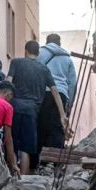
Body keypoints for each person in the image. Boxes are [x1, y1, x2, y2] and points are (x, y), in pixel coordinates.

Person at [6, 40, 68, 175]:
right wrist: (62, 114)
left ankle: (11, 176)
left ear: (25, 51)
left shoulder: (16, 62)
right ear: (38, 53)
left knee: (11, 141)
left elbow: (8, 82)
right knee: (26, 147)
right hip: (32, 111)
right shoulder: (44, 69)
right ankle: (23, 178)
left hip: (14, 108)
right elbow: (55, 91)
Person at [33, 33, 78, 170]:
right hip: (61, 94)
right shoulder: (67, 59)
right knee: (57, 127)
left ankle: (40, 163)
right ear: (60, 43)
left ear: (47, 42)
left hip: (42, 93)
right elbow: (72, 84)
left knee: (40, 125)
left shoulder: (39, 53)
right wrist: (68, 105)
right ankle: (57, 163)